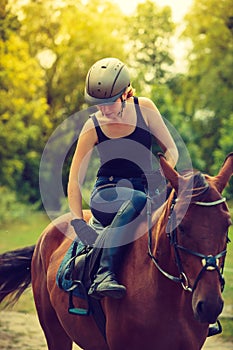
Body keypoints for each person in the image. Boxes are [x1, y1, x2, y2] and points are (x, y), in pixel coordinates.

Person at [68, 57, 178, 300]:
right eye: (98, 105)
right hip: (106, 193)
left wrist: (163, 175)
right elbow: (74, 181)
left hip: (146, 191)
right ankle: (103, 274)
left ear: (127, 93)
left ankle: (193, 304)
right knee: (138, 199)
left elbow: (172, 150)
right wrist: (78, 223)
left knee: (184, 216)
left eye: (110, 103)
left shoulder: (145, 108)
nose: (105, 110)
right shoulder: (91, 126)